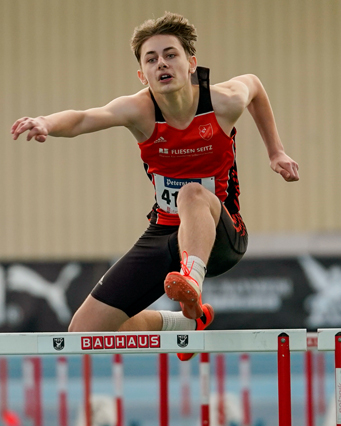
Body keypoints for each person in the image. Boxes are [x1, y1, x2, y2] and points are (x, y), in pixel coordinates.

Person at [11, 12, 299, 361]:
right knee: (84, 331)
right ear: (142, 74)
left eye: (170, 54)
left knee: (191, 193)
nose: (161, 63)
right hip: (164, 233)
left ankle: (191, 279)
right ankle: (183, 322)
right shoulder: (138, 110)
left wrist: (276, 151)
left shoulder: (222, 101)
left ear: (191, 63)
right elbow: (85, 117)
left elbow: (254, 85)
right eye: (151, 59)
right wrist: (45, 122)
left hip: (222, 235)